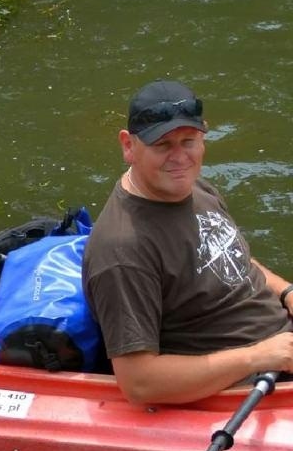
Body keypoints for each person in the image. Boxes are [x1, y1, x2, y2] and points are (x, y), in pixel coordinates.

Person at [83, 80, 293, 404]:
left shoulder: (194, 189)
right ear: (128, 146)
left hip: (279, 347)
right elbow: (139, 382)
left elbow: (233, 259)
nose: (180, 157)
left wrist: (287, 292)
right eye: (163, 145)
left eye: (188, 141)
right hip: (253, 382)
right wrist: (258, 357)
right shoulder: (122, 251)